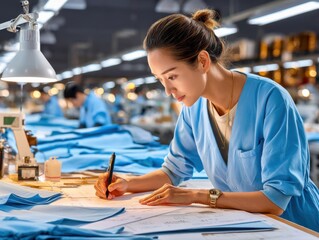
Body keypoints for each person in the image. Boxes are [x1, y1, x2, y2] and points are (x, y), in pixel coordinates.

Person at [94, 9, 319, 231]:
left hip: (294, 227)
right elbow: (172, 171)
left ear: (202, 61)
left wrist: (196, 196)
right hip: (246, 225)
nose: (168, 90)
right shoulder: (194, 108)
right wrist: (125, 184)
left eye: (172, 76)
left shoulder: (270, 99)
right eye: (161, 79)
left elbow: (275, 200)